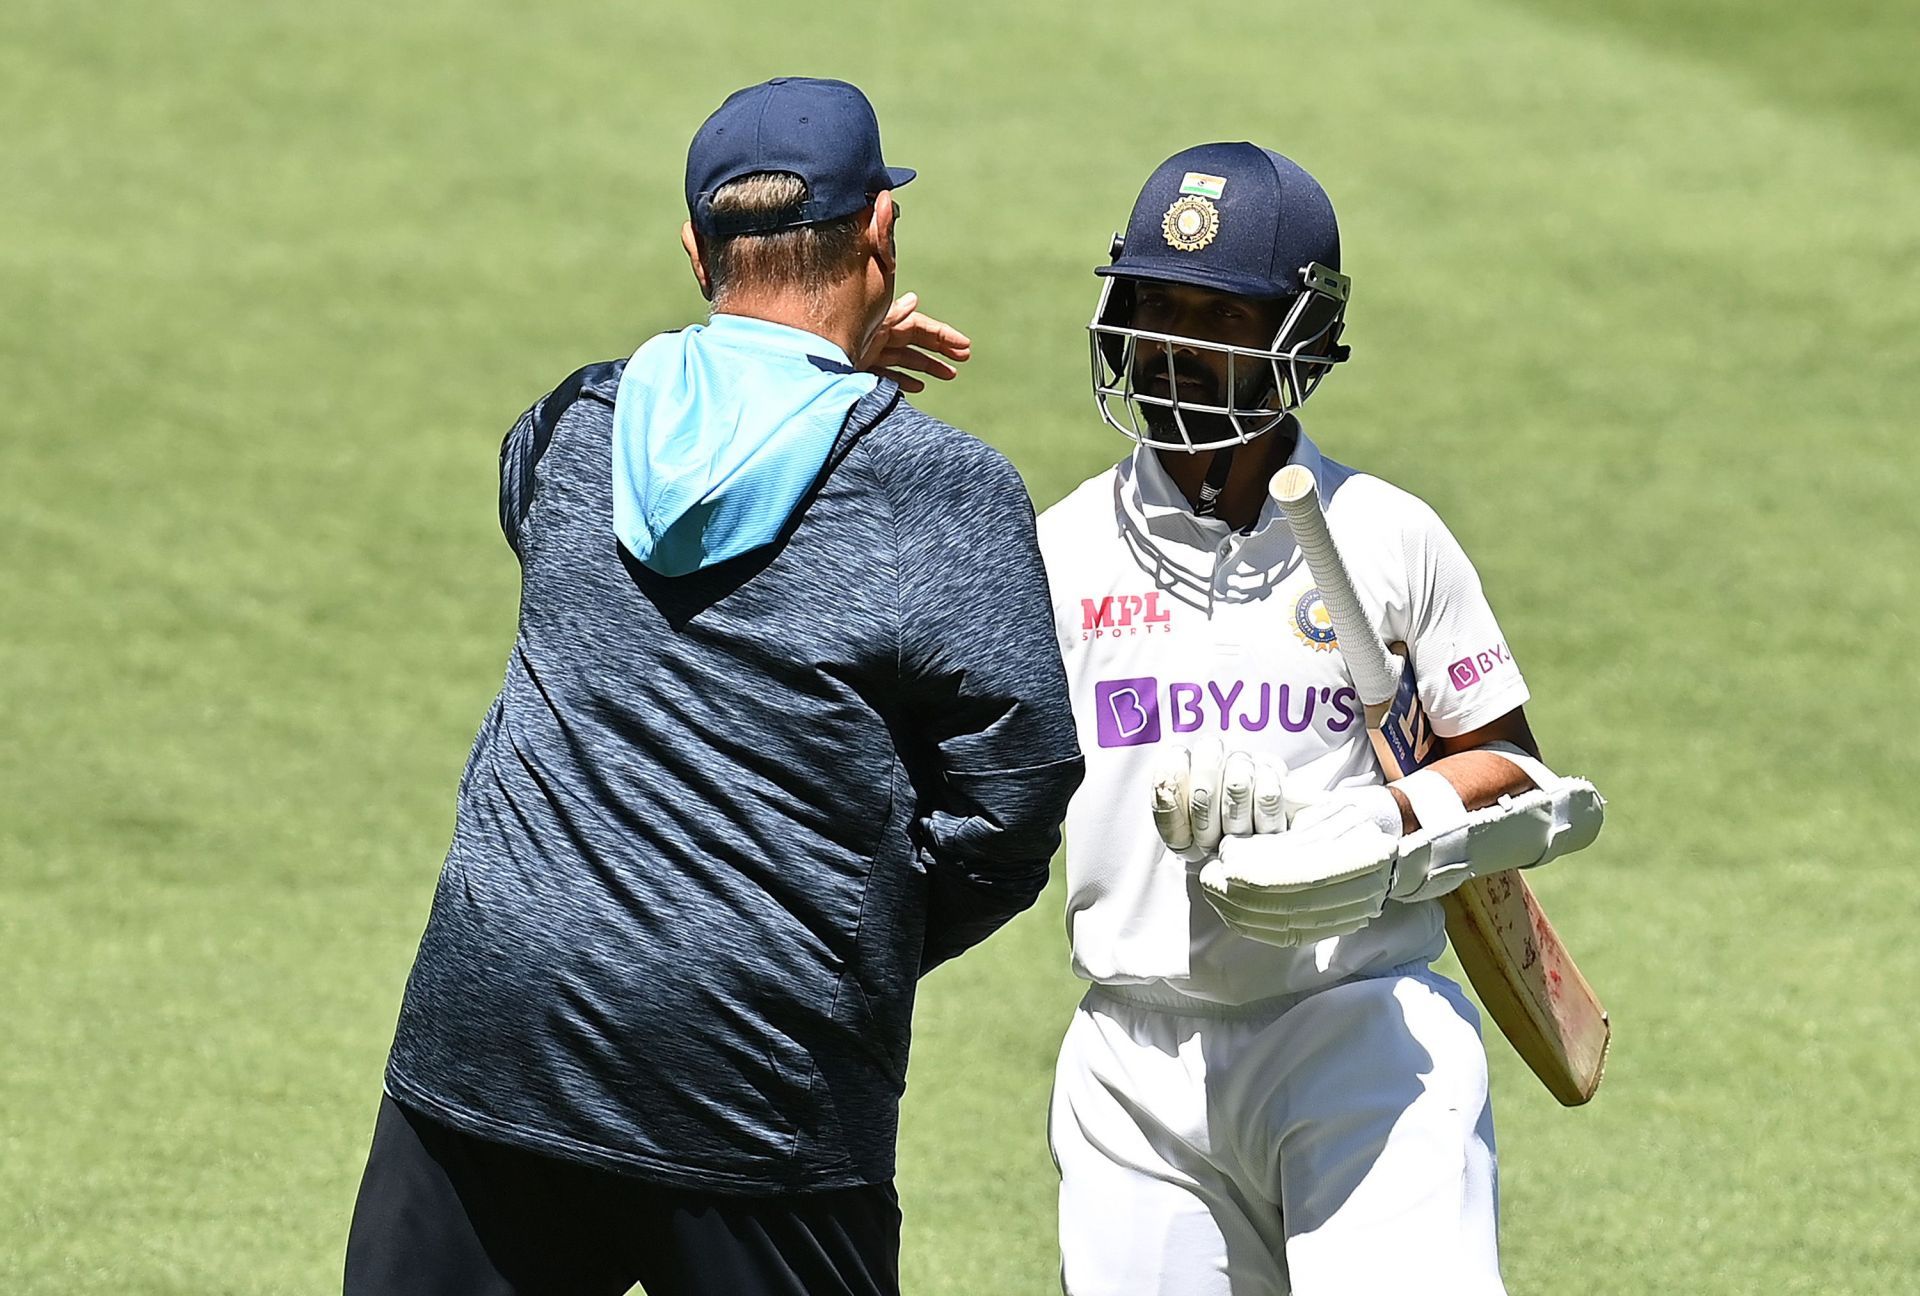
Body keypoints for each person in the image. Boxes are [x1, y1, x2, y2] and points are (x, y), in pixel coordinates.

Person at [343, 76, 1083, 1296]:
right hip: (757, 1078)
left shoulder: (576, 426)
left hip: (496, 1033)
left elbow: (543, 498)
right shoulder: (940, 487)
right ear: (881, 235)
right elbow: (1017, 788)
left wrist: (791, 378)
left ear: (695, 251)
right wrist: (855, 935)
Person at [1038, 142, 1603, 1294]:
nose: (1175, 348)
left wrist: (1373, 825)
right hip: (1133, 1057)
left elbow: (1507, 766)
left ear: (1298, 336)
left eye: (1217, 315)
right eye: (1153, 306)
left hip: (1358, 1030)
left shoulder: (1388, 535)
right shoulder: (1056, 549)